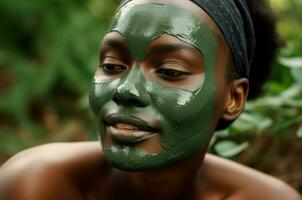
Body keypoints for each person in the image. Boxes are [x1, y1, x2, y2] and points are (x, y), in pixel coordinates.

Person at [0, 0, 301, 199]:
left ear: (234, 98)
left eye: (170, 71)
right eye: (112, 66)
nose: (126, 89)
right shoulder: (38, 186)